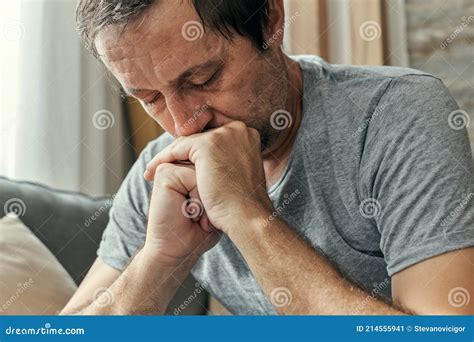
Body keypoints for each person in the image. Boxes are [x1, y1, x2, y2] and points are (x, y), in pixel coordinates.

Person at [61, 0, 474, 315]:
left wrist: (249, 216)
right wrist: (161, 258)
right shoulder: (163, 172)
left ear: (271, 20)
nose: (184, 125)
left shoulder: (394, 113)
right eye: (150, 98)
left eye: (203, 79)